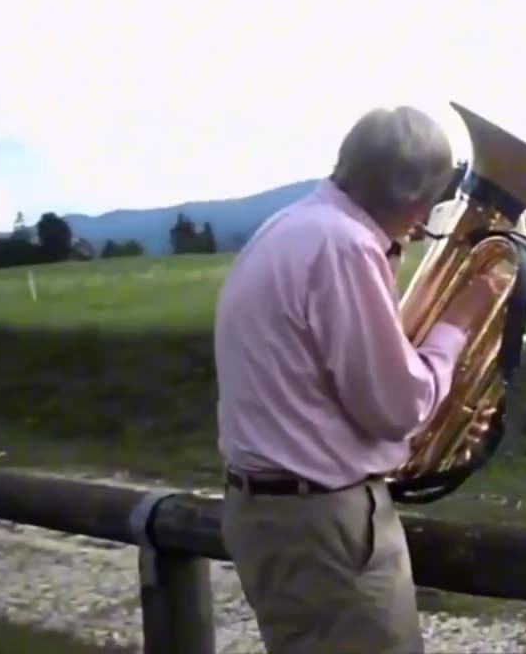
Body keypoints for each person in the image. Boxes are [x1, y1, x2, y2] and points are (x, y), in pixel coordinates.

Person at [215, 105, 507, 654]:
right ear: (419, 203)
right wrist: (461, 320)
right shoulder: (344, 245)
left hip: (277, 514)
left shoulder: (291, 225)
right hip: (325, 526)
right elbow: (398, 407)